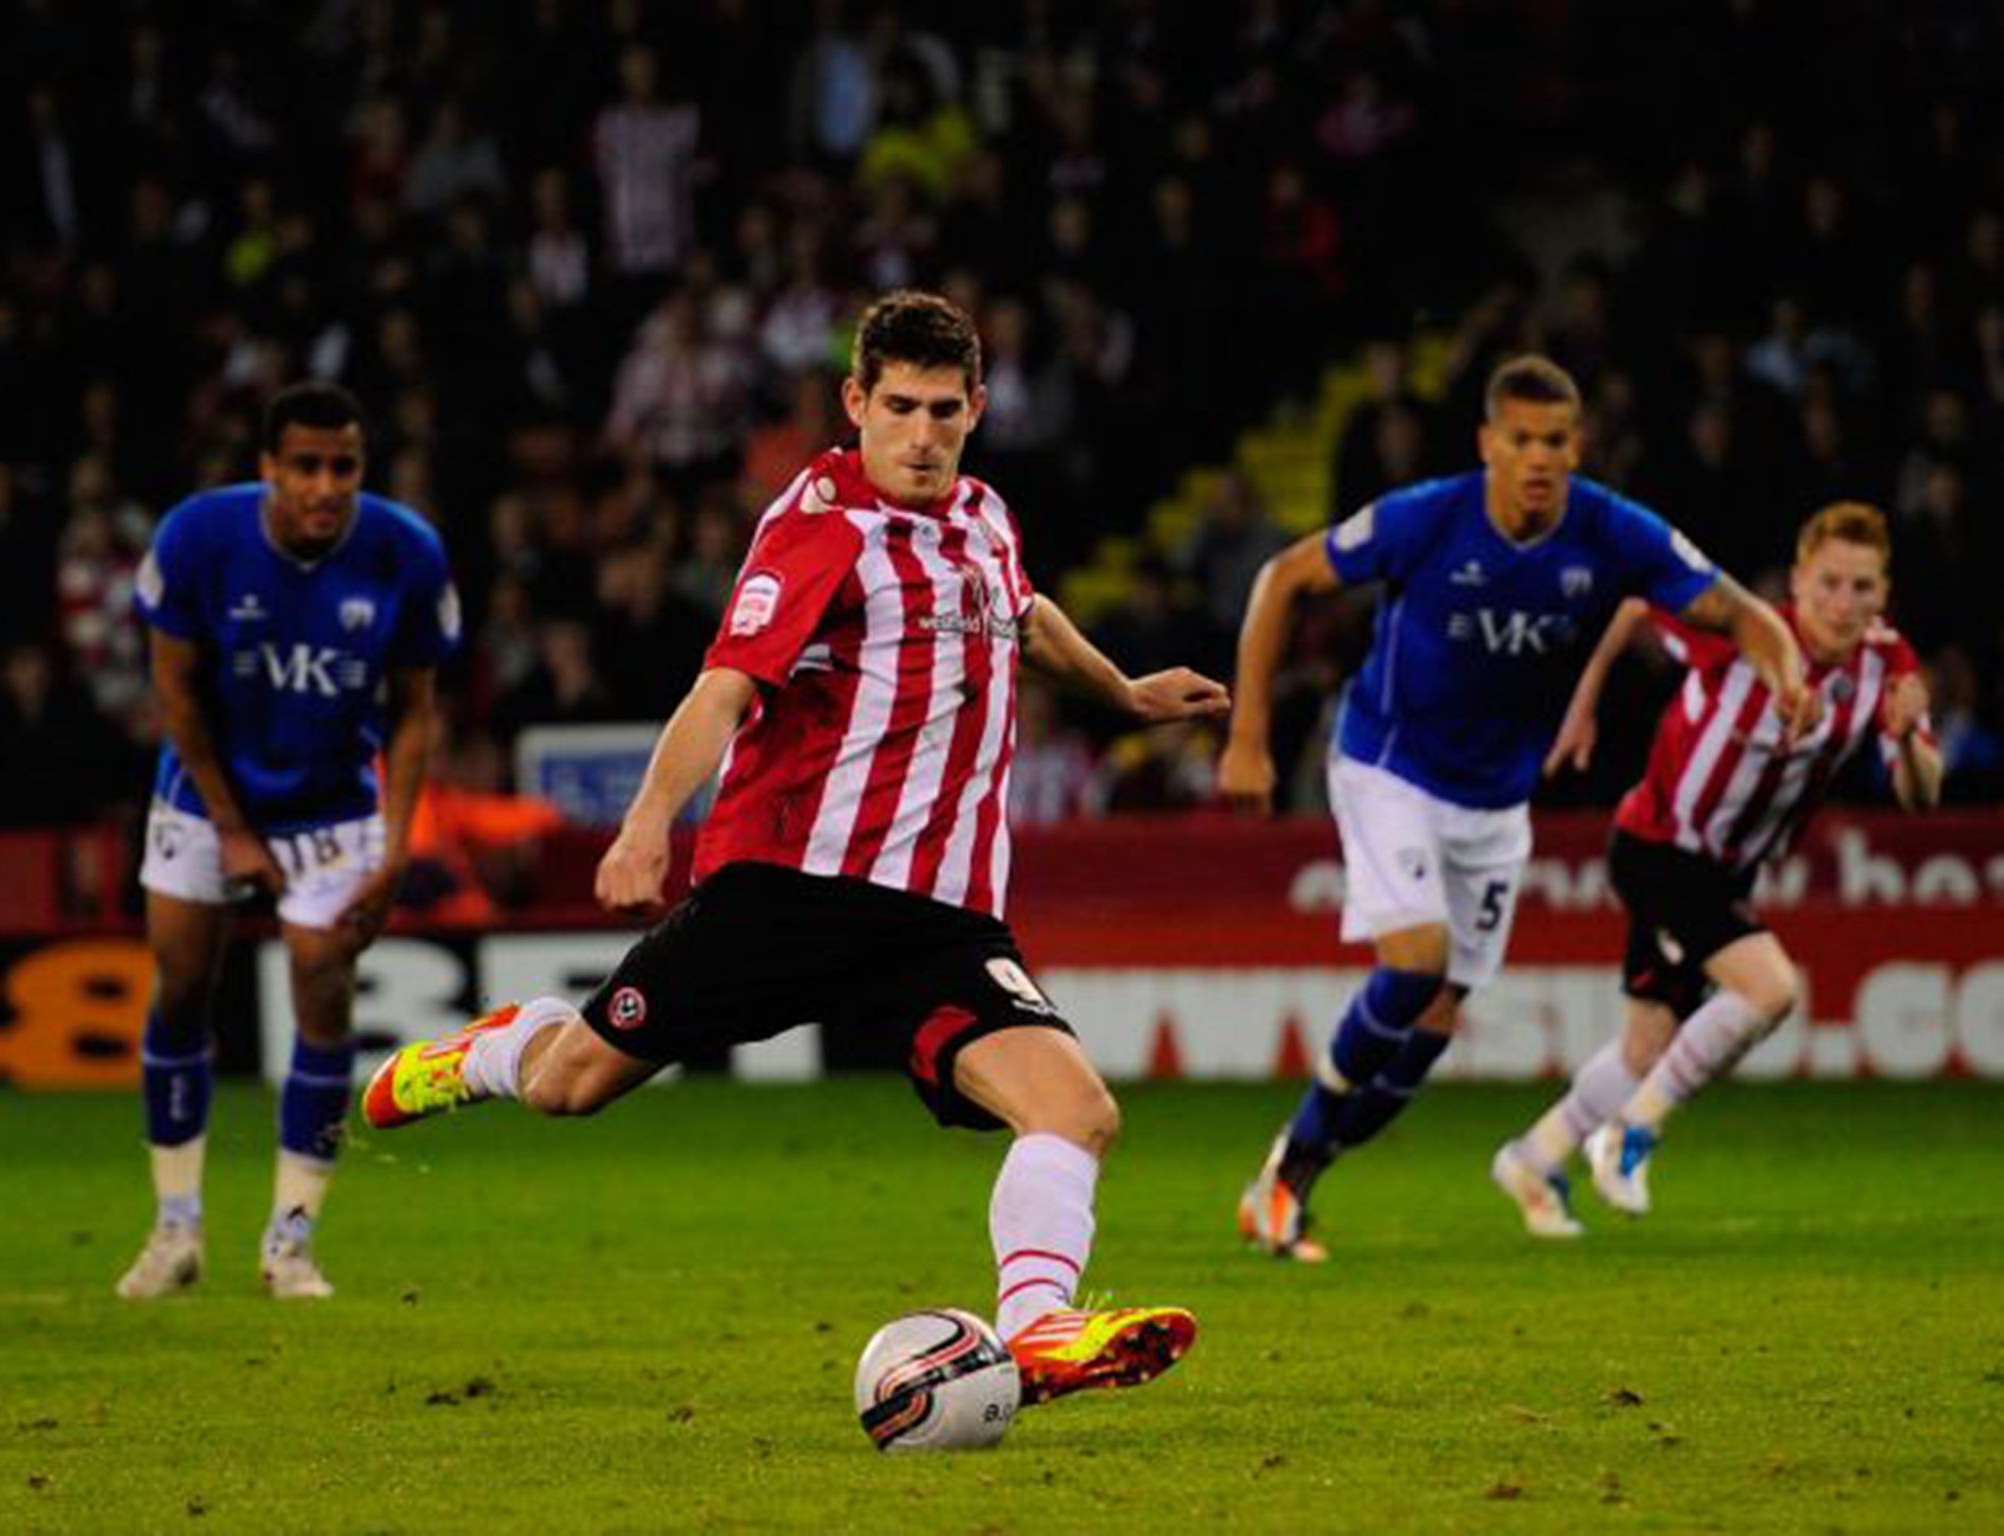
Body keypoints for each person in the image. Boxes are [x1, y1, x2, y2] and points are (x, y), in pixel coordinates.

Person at [364, 291, 1227, 1402]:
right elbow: (723, 688)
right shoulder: (820, 527)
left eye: (944, 412)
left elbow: (1019, 608)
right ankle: (493, 1049)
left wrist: (1121, 693)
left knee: (1075, 1111)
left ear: (976, 410)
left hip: (937, 916)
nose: (920, 435)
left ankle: (1042, 1329)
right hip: (787, 890)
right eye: (899, 408)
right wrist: (643, 826)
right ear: (854, 402)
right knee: (572, 1086)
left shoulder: (983, 517)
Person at [1218, 355, 1812, 1263]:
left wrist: (1785, 669)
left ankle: (1288, 1182)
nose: (1539, 458)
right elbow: (1284, 578)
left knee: (1431, 1032)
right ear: (1488, 444)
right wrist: (1248, 733)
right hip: (1390, 764)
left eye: (1556, 442)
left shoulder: (1613, 531)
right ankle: (1291, 1167)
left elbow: (1740, 611)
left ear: (1578, 447)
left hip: (1495, 804)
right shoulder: (1429, 515)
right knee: (1413, 963)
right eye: (1522, 440)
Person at [1494, 502, 1941, 1234]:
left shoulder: (1889, 665)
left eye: (1862, 588)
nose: (1843, 603)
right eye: (1829, 582)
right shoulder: (1742, 627)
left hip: (1727, 874)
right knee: (1771, 990)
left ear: (1883, 594)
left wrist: (1911, 742)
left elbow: (1919, 795)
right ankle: (1632, 1134)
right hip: (1657, 846)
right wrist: (1583, 702)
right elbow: (1638, 599)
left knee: (1647, 1046)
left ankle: (1532, 1159)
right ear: (1798, 580)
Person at [117, 382, 458, 1300]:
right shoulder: (197, 538)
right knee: (184, 981)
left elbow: (416, 715)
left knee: (323, 978)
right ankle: (175, 1229)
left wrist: (395, 851)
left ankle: (290, 1241)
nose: (324, 485)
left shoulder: (406, 553)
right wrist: (231, 831)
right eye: (304, 466)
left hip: (334, 805)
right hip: (201, 798)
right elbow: (176, 695)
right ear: (268, 467)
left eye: (342, 466)